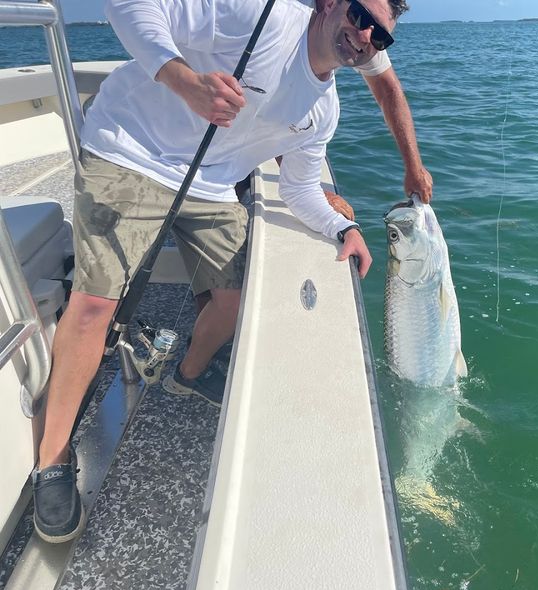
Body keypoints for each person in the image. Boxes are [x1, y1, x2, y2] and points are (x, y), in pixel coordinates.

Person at [32, 0, 408, 544]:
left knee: (236, 303)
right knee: (94, 305)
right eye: (359, 14)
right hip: (128, 151)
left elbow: (301, 188)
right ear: (329, 4)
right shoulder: (257, 14)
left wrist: (340, 227)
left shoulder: (323, 110)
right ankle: (52, 458)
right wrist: (185, 82)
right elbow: (130, 6)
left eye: (380, 35)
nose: (365, 35)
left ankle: (187, 374)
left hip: (211, 186)